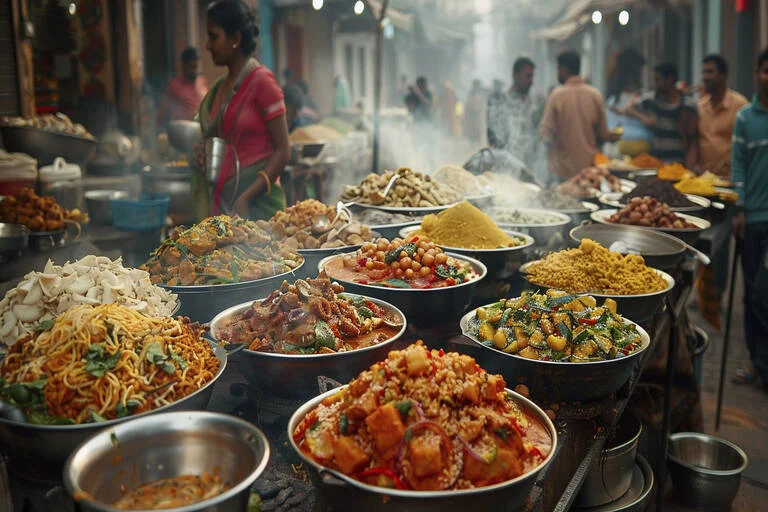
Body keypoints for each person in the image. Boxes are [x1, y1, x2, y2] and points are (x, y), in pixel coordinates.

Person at [192, 0, 290, 221]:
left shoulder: (263, 82)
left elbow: (283, 151)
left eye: (213, 36)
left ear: (235, 38)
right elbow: (217, 139)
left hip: (259, 208)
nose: (207, 45)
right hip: (225, 203)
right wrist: (202, 152)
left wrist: (246, 197)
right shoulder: (220, 88)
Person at [731, 47, 768, 387]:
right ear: (757, 74)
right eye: (766, 70)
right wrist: (739, 208)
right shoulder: (745, 117)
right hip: (754, 219)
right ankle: (758, 364)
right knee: (752, 293)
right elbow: (738, 165)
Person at [539, 51, 617, 180]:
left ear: (564, 69)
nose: (557, 73)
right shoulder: (595, 95)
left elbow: (543, 133)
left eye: (558, 69)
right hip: (590, 170)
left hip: (563, 170)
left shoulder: (556, 95)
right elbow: (603, 134)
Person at [624, 63, 698, 168]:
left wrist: (690, 167)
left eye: (658, 80)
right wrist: (644, 117)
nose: (655, 84)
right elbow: (628, 108)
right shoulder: (651, 100)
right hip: (655, 165)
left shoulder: (688, 105)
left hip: (678, 166)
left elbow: (692, 142)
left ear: (670, 79)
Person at [698, 54, 749, 177]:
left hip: (731, 181)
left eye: (710, 72)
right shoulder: (700, 106)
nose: (705, 77)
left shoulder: (741, 106)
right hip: (704, 181)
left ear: (723, 75)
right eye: (704, 72)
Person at [487, 57, 542, 169]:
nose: (531, 81)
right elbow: (493, 136)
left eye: (532, 76)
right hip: (506, 167)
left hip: (530, 166)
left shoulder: (534, 104)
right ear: (515, 76)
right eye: (527, 76)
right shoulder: (501, 103)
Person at [606, 48, 652, 157]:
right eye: (642, 70)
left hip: (635, 151)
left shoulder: (644, 99)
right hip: (627, 150)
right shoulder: (614, 101)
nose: (644, 74)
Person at [157, 47, 209, 128]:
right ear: (184, 66)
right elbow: (162, 114)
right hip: (183, 132)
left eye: (196, 67)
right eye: (191, 67)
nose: (194, 71)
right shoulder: (174, 86)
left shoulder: (202, 83)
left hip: (202, 131)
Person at [463, 79, 487, 143]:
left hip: (478, 113)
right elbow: (468, 104)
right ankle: (472, 141)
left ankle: (476, 141)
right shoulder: (471, 93)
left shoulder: (480, 93)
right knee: (472, 128)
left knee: (477, 128)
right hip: (472, 113)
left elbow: (482, 103)